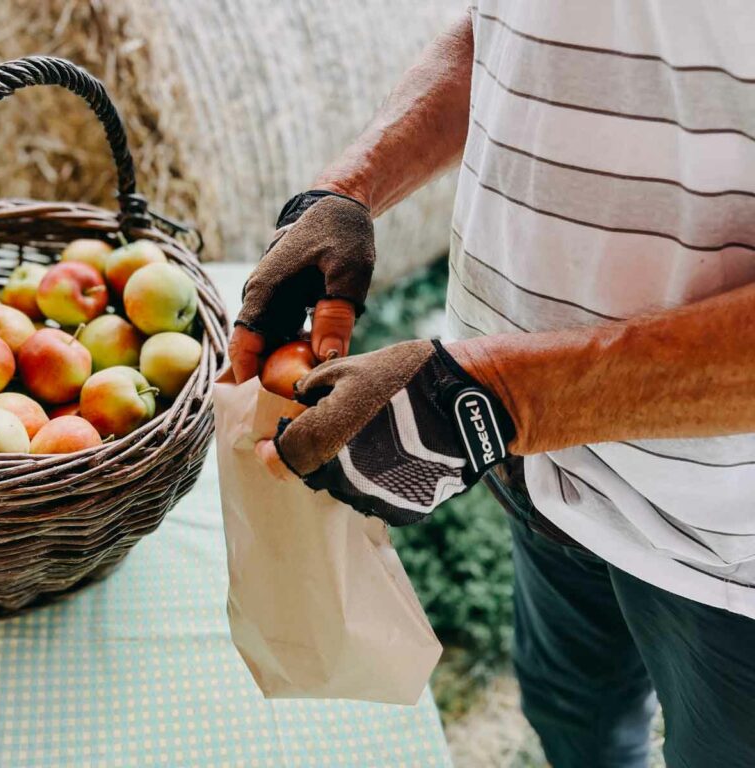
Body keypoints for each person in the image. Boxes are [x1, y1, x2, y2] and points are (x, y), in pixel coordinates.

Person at [227, 3, 755, 767]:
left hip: (724, 539)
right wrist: (346, 192)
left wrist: (500, 395)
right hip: (537, 470)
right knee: (573, 718)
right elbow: (510, 35)